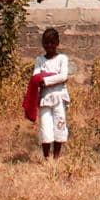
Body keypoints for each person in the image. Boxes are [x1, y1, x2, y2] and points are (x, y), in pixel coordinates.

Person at [31, 27, 70, 160]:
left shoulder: (62, 59)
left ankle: (56, 158)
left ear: (57, 43)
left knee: (59, 126)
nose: (49, 46)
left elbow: (63, 76)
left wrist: (45, 79)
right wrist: (53, 77)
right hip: (44, 99)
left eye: (52, 43)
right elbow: (36, 78)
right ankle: (47, 158)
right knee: (45, 128)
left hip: (59, 98)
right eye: (46, 43)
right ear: (42, 43)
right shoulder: (39, 60)